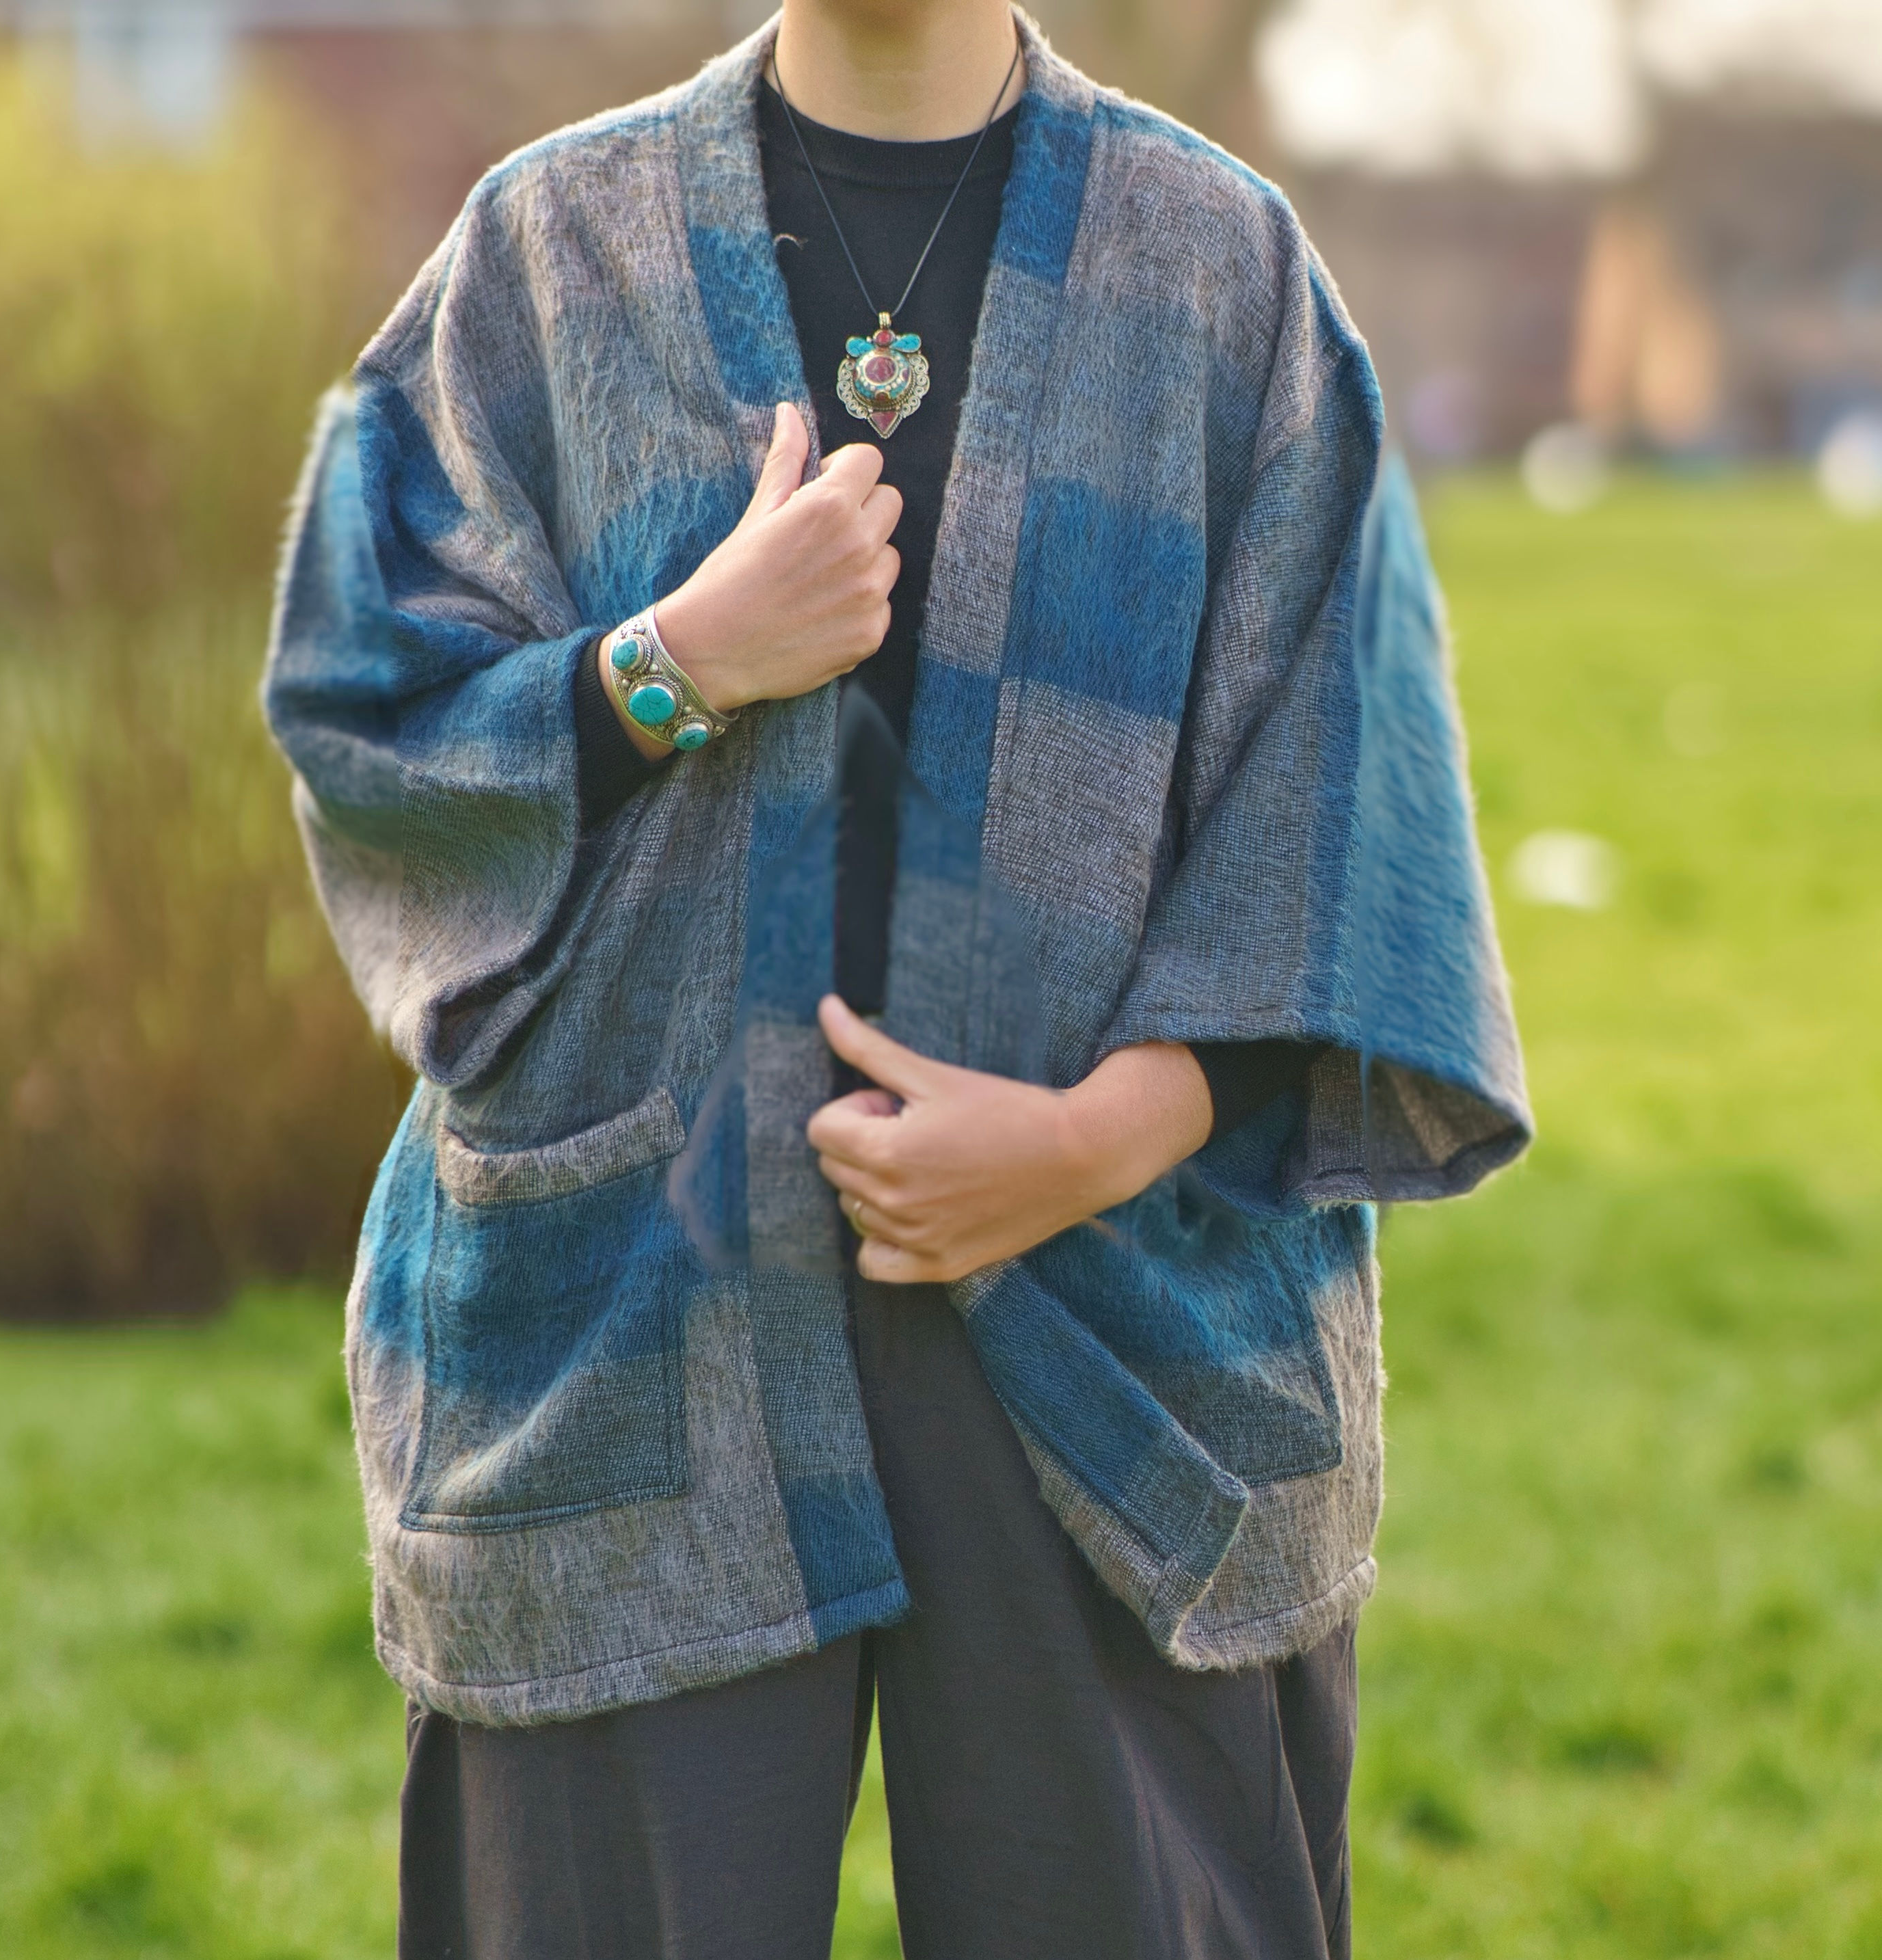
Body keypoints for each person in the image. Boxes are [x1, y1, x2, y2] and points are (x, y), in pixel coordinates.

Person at [264, 3, 1530, 1955]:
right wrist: (676, 659)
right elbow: (367, 722)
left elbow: (1352, 828)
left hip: (1123, 1338)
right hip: (627, 1312)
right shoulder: (546, 250)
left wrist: (1095, 1140)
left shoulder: (1225, 273)